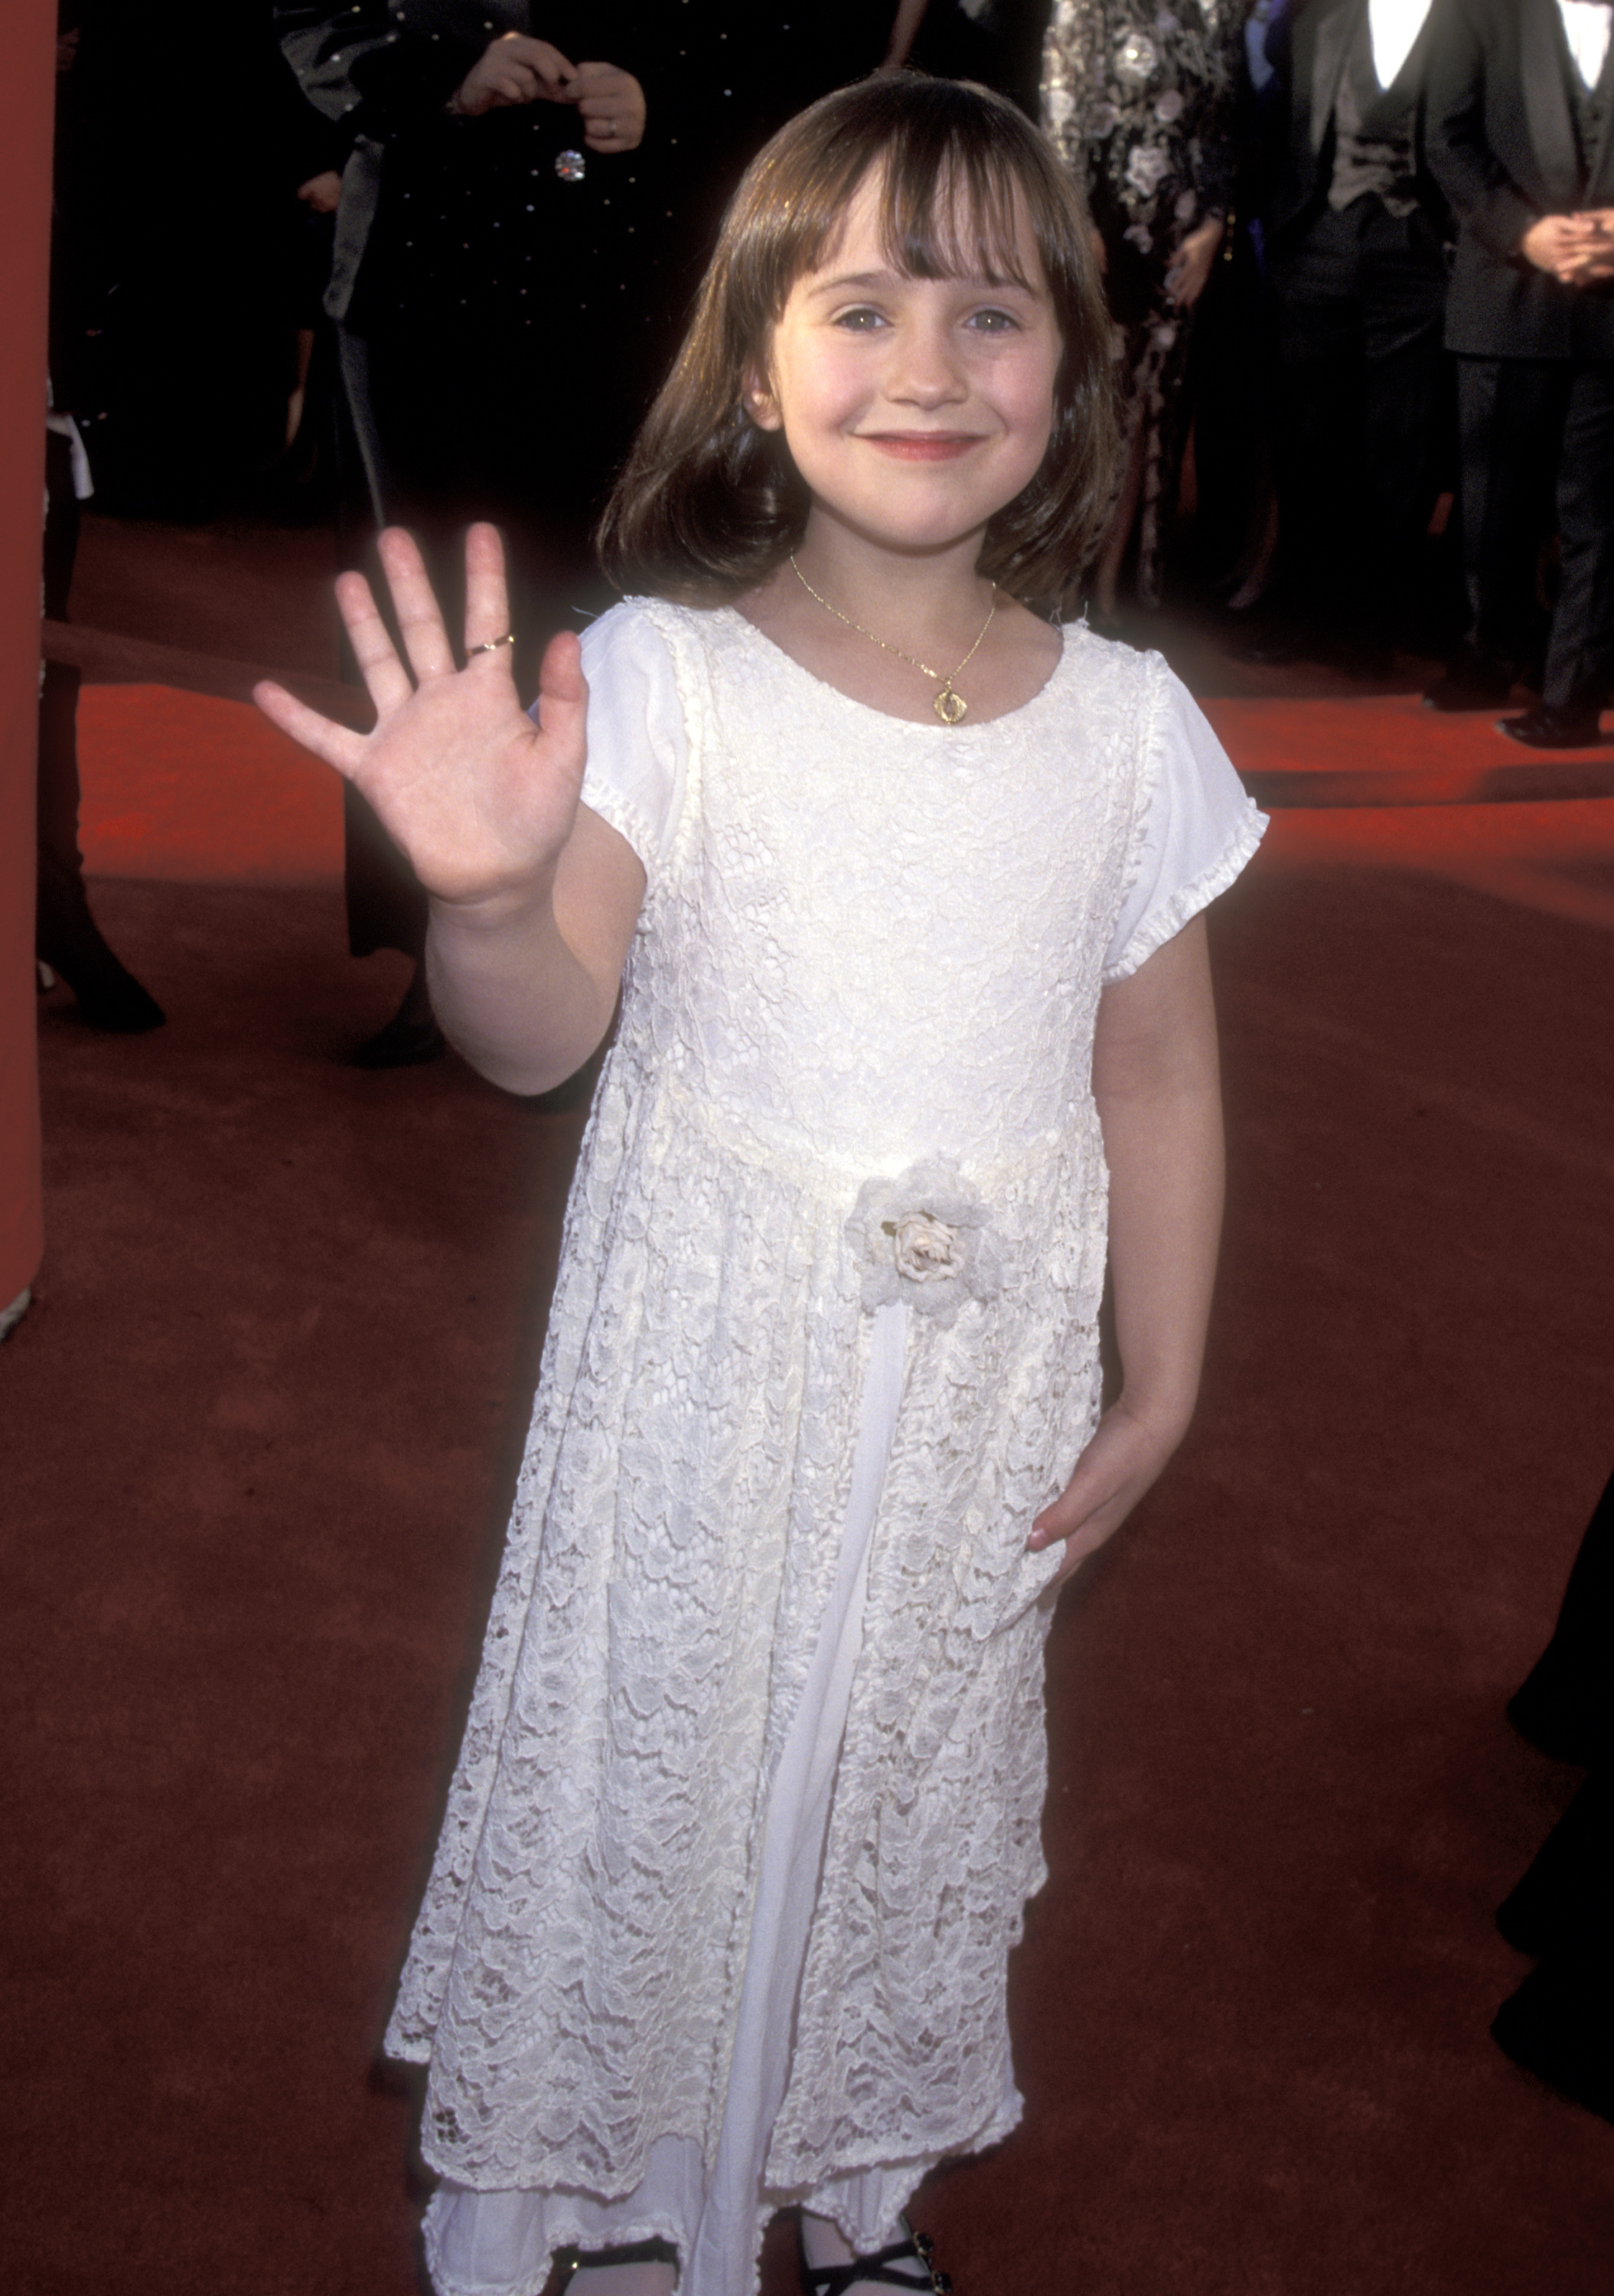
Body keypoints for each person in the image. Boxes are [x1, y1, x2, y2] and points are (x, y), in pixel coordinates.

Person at [256, 76, 1264, 2296]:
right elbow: (536, 1035)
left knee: (888, 1790)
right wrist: (492, 896)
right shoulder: (666, 686)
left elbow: (1160, 1069)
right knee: (680, 1783)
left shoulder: (1127, 728)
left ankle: (847, 2164)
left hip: (975, 1410)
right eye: (862, 304)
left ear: (1074, 373)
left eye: (992, 314)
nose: (927, 368)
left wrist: (1163, 1381)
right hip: (710, 1397)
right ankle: (615, 2187)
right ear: (747, 358)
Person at [277, 1, 659, 1065]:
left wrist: (663, 99)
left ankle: (610, 946)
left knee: (609, 625)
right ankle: (438, 957)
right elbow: (311, 18)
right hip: (424, 282)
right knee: (439, 616)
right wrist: (452, 69)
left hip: (629, 286)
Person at [1424, 0, 1614, 745]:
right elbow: (1446, 138)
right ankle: (1485, 658)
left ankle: (1574, 698)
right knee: (1493, 505)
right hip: (1507, 292)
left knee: (1598, 518)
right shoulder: (1479, 10)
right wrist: (1524, 233)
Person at [1250, 0, 1453, 673]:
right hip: (1317, 240)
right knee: (1309, 443)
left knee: (1399, 450)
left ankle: (1370, 626)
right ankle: (1304, 613)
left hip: (1416, 251)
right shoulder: (1314, 17)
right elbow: (1274, 110)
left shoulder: (1478, 17)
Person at [1042, 0, 1246, 613]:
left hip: (1178, 247)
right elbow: (1061, 112)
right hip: (1102, 236)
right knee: (1090, 413)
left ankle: (1113, 595)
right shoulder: (1089, 6)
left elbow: (1222, 128)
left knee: (1147, 419)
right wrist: (1074, 221)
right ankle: (1057, 592)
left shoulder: (1213, 10)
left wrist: (1214, 227)